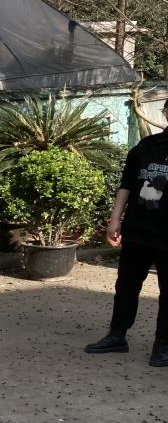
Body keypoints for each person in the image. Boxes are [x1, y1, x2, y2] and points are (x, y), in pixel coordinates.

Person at [85, 100, 168, 366]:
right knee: (126, 287)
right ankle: (117, 335)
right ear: (166, 113)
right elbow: (126, 186)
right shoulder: (146, 147)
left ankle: (163, 345)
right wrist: (114, 220)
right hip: (138, 232)